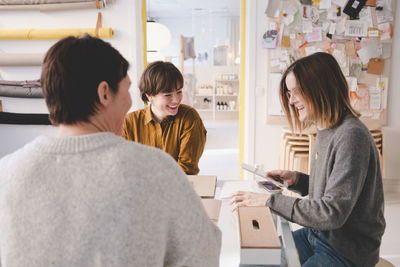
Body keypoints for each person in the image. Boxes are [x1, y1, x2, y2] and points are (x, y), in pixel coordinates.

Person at [0, 35, 221, 267]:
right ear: (104, 94)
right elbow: (204, 257)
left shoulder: (6, 173)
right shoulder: (158, 170)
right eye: (126, 89)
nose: (128, 102)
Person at [231, 52, 385, 267]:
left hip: (346, 249)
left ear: (320, 89)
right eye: (288, 93)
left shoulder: (351, 135)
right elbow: (335, 190)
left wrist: (269, 201)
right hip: (319, 235)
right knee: (256, 261)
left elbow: (332, 213)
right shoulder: (326, 129)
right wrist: (298, 180)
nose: (291, 100)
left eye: (296, 92)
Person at [123, 61, 206, 175]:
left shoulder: (189, 118)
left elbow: (187, 169)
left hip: (178, 189)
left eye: (179, 92)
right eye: (168, 95)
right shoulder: (129, 123)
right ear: (149, 96)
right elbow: (124, 168)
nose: (176, 100)